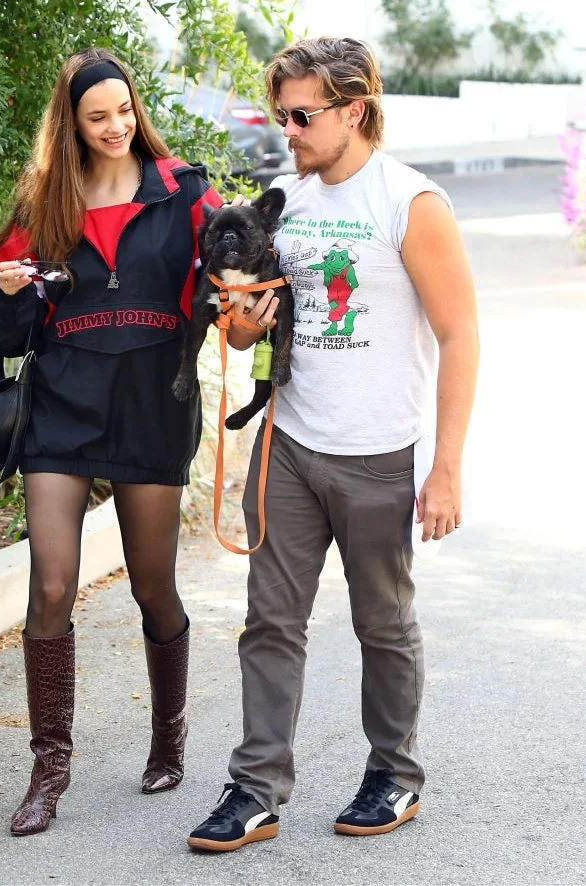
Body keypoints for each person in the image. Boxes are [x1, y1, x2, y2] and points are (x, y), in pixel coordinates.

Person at [187, 36, 479, 852]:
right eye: (282, 115)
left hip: (381, 452)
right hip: (289, 442)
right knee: (270, 623)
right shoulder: (285, 197)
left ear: (355, 108)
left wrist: (445, 467)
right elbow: (248, 337)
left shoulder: (409, 203)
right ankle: (254, 789)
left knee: (382, 624)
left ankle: (393, 773)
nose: (289, 130)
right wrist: (241, 329)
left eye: (304, 115)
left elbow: (460, 335)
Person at [0, 47, 225, 836]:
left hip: (154, 405)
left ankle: (168, 736)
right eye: (97, 117)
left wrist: (248, 300)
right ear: (71, 124)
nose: (116, 127)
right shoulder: (41, 206)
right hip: (64, 407)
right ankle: (49, 770)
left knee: (153, 587)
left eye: (124, 111)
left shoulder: (186, 191)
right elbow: (9, 333)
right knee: (50, 588)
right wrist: (6, 292)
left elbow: (230, 273)